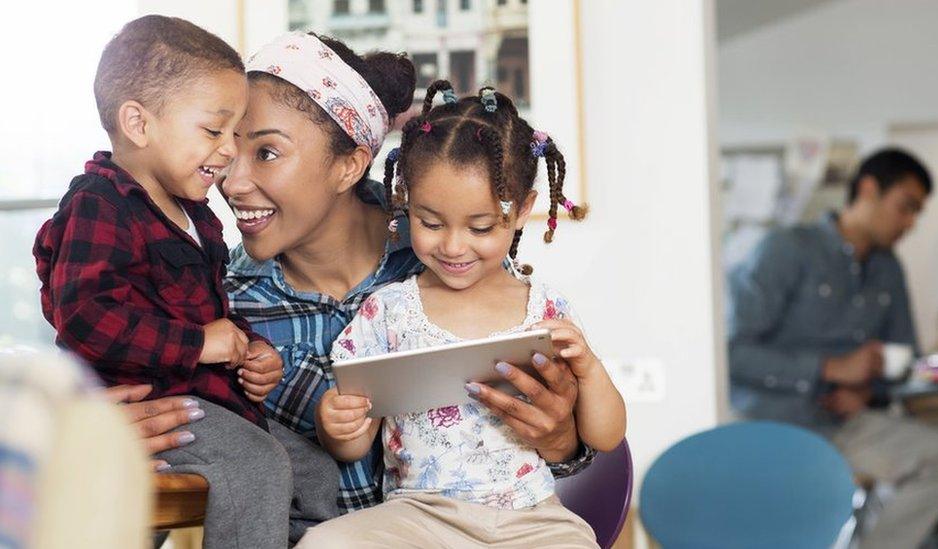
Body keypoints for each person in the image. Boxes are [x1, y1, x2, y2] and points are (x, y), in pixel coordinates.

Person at [222, 32, 597, 530]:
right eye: (226, 148)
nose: (231, 181)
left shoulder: (448, 259)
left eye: (267, 152)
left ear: (350, 164)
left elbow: (537, 453)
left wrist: (560, 440)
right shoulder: (223, 302)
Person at [295, 80, 625, 548]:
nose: (452, 246)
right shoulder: (387, 312)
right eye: (430, 223)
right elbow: (352, 444)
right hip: (417, 519)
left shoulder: (545, 309)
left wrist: (589, 368)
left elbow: (607, 437)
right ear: (406, 200)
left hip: (530, 518)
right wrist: (337, 426)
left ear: (522, 210)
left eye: (481, 226)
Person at [32, 16, 290, 548]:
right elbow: (84, 317)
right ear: (138, 123)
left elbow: (206, 313)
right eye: (213, 130)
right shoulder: (98, 205)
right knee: (256, 467)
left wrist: (247, 348)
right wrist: (199, 344)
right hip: (147, 404)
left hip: (209, 401)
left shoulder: (196, 217)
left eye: (234, 134)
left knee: (317, 475)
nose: (227, 152)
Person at [728, 148, 938, 548]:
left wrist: (867, 391)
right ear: (868, 189)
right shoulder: (786, 249)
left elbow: (905, 359)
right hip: (774, 425)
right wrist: (827, 368)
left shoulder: (888, 269)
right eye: (906, 207)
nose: (910, 223)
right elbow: (733, 354)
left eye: (917, 213)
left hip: (847, 426)